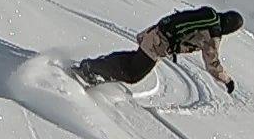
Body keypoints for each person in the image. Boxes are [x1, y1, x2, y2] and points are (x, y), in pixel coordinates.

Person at [75, 7, 241, 93]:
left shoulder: (209, 14)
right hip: (159, 43)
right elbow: (212, 62)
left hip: (156, 32)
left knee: (133, 60)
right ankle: (93, 69)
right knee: (134, 74)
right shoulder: (213, 33)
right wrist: (227, 80)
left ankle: (95, 67)